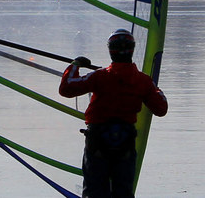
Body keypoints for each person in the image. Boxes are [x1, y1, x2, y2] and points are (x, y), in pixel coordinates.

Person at [59, 29, 168, 198]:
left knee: (94, 192)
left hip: (97, 142)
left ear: (111, 50)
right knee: (123, 192)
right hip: (124, 142)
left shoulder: (99, 76)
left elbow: (66, 88)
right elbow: (161, 109)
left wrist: (75, 64)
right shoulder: (142, 81)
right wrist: (154, 88)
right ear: (132, 49)